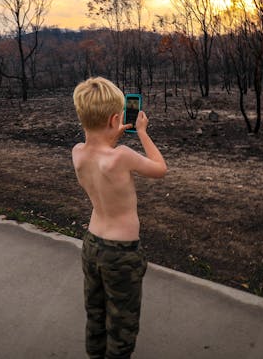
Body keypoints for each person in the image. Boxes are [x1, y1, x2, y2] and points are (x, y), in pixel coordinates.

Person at [72, 77, 167, 358]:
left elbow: (99, 149)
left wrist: (110, 133)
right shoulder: (122, 156)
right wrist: (142, 132)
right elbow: (160, 168)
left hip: (92, 246)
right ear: (116, 118)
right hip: (121, 254)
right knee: (122, 324)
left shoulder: (77, 153)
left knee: (96, 313)